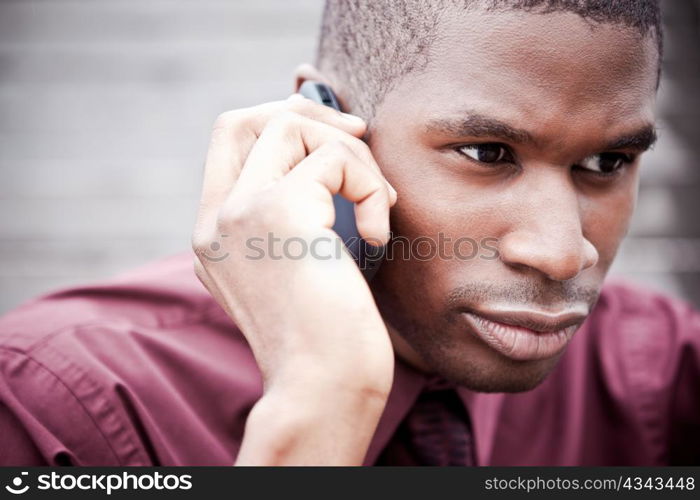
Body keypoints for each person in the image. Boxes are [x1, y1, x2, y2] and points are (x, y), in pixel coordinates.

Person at [1, 0, 698, 466]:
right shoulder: (55, 407)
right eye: (487, 153)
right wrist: (322, 396)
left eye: (608, 162)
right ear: (317, 124)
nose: (559, 251)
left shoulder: (657, 372)